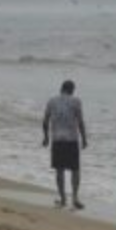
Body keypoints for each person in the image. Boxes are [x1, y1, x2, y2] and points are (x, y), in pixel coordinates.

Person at [43, 79, 88, 210]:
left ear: (61, 88)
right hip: (71, 140)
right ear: (72, 89)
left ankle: (63, 199)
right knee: (75, 170)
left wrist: (46, 138)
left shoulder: (51, 101)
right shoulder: (76, 101)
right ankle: (74, 198)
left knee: (59, 170)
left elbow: (45, 121)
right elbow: (80, 122)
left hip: (57, 140)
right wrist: (84, 139)